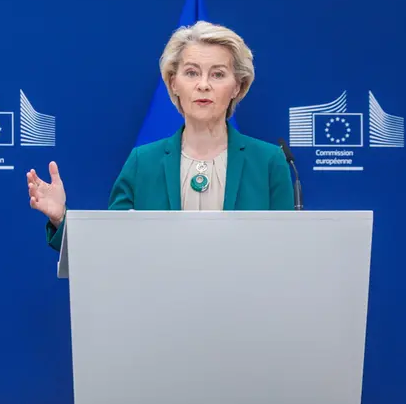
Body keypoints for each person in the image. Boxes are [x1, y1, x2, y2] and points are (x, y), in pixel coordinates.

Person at [26, 21, 293, 251]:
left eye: (218, 74)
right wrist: (61, 218)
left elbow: (288, 251)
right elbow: (110, 248)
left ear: (237, 86)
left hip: (244, 306)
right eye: (191, 72)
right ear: (173, 83)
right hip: (159, 307)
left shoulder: (269, 162)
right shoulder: (143, 162)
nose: (203, 84)